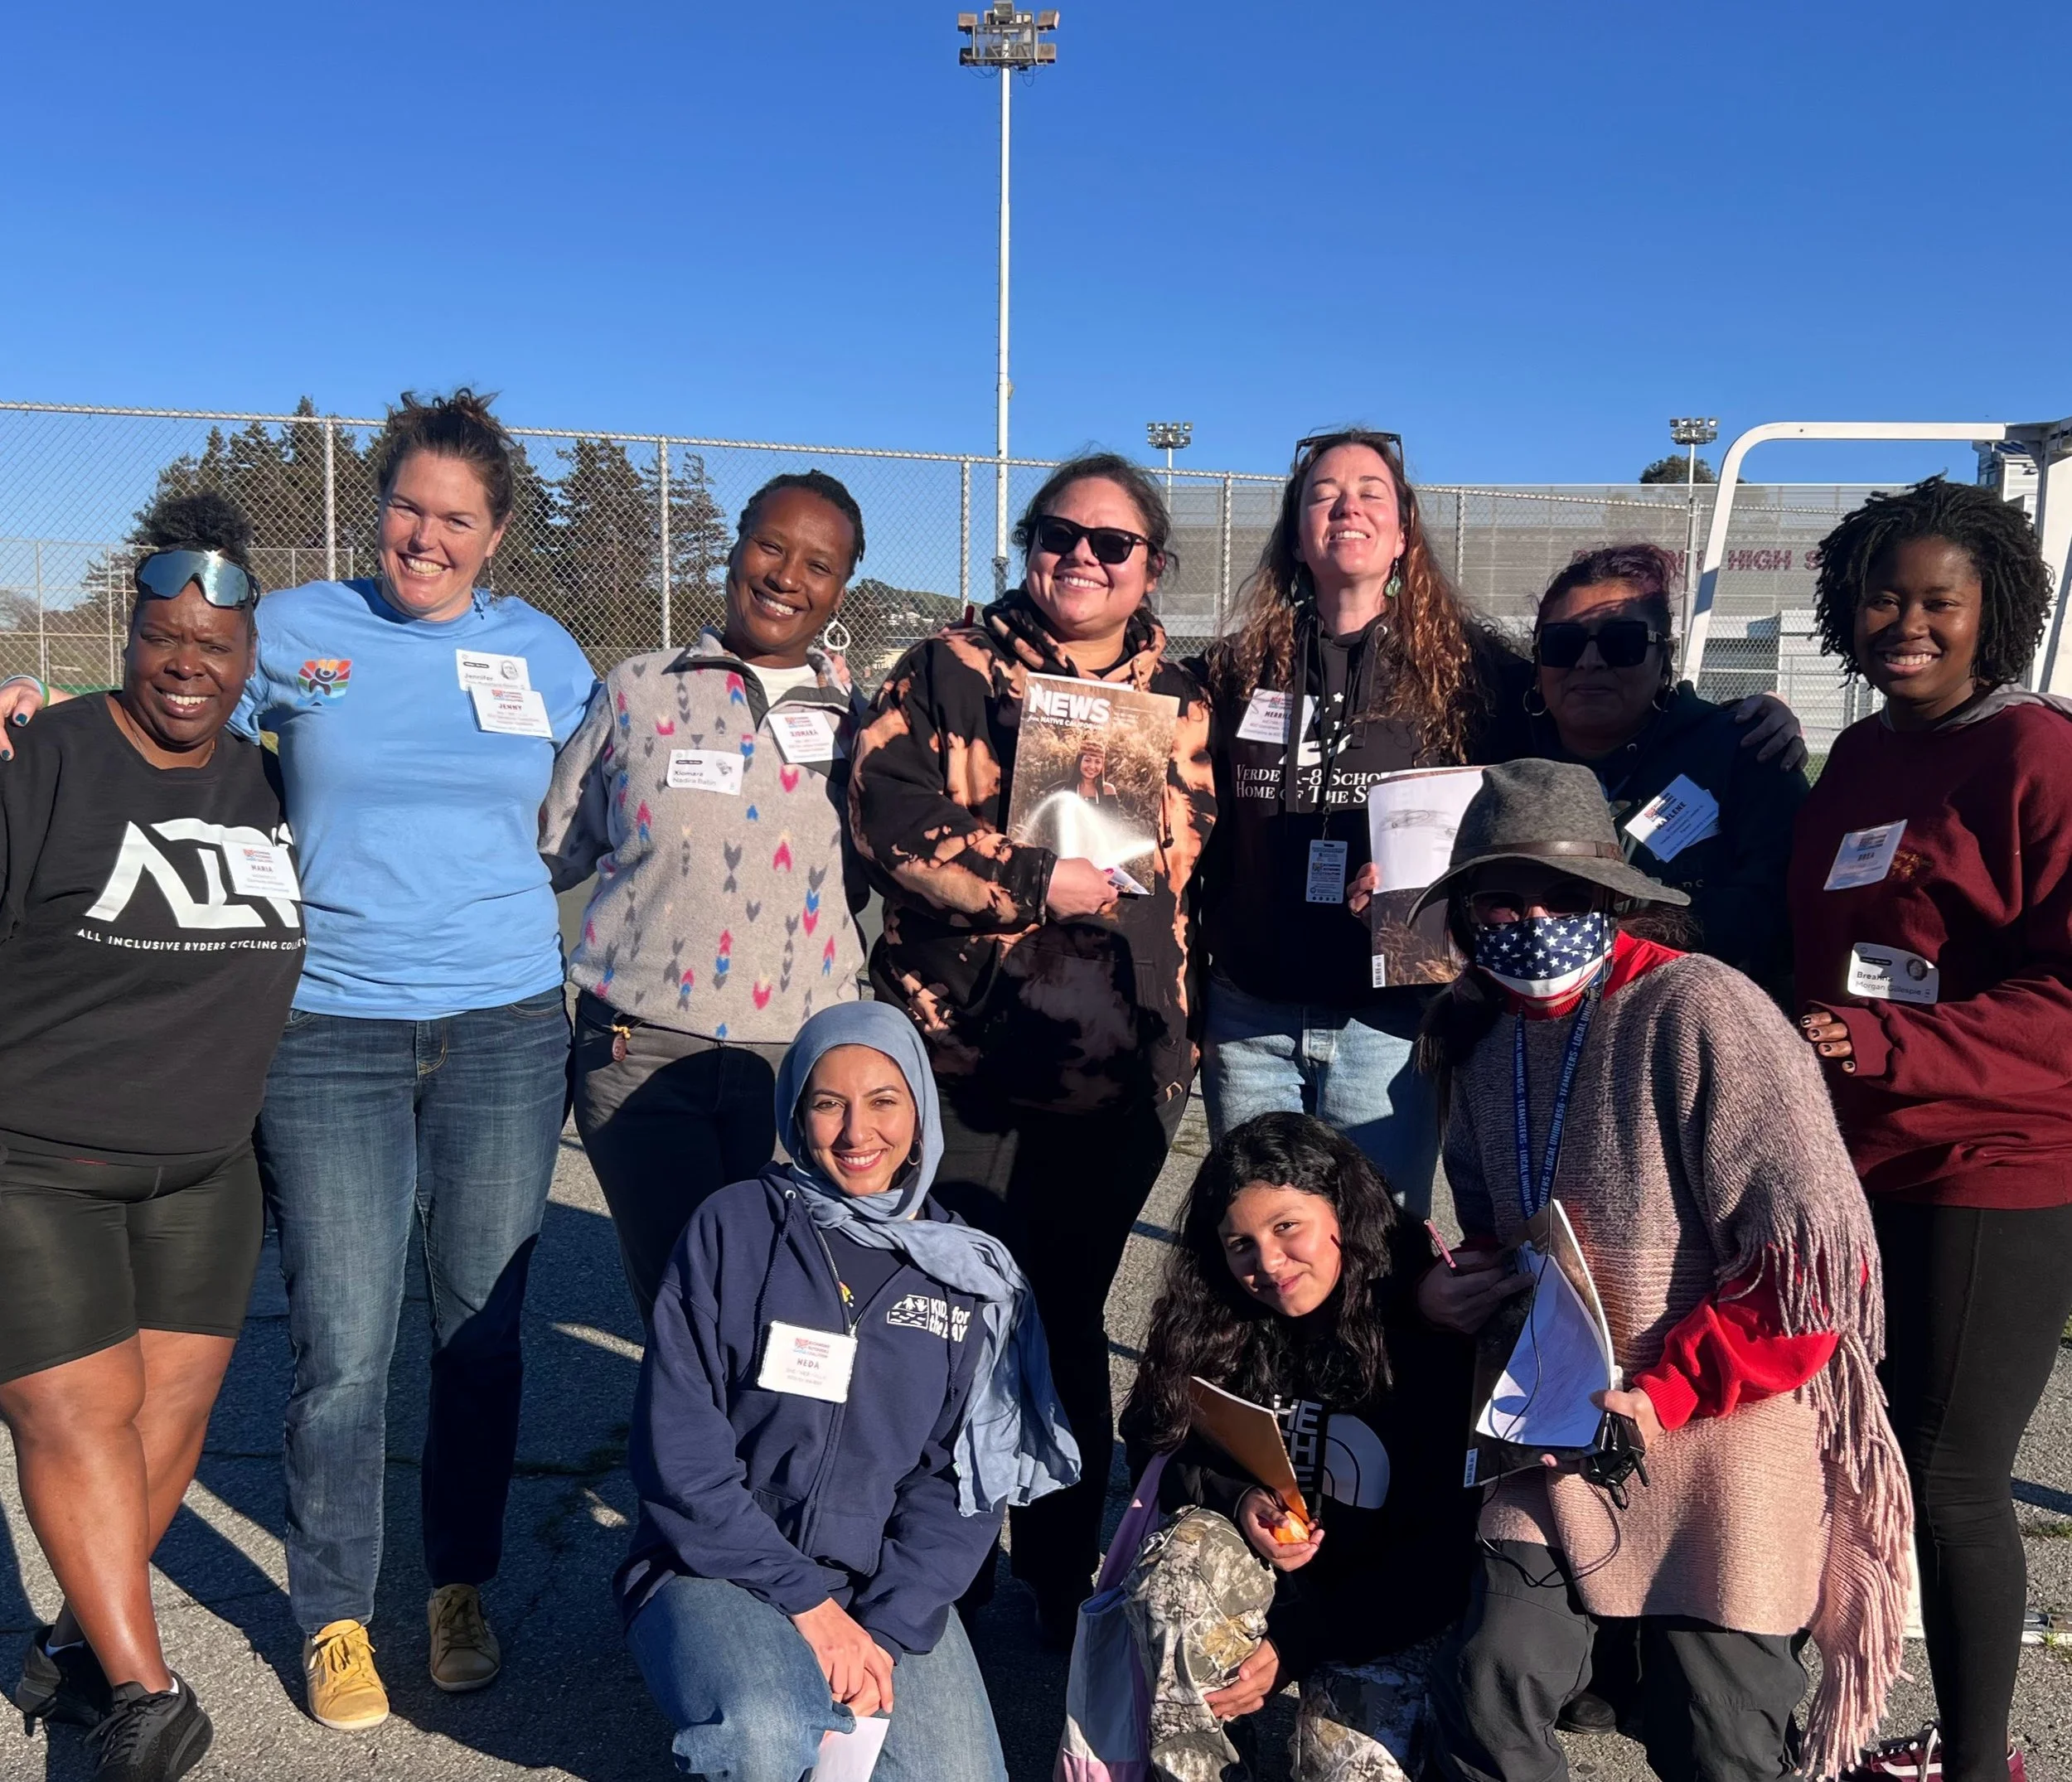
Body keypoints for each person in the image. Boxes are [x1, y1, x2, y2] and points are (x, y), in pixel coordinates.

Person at [1414, 758, 1909, 1782]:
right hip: (1559, 1427)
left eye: (1562, 894)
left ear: (1613, 898)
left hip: (1724, 1428)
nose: (1530, 917)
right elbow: (1498, 1232)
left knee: (1716, 1734)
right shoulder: (1472, 1032)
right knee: (1486, 1683)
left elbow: (1807, 1267)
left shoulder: (1701, 1008)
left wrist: (1672, 1388)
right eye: (1499, 897)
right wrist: (1457, 1280)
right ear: (1464, 912)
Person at [1195, 431, 1803, 1218]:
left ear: (1406, 531)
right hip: (1252, 1008)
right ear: (1294, 531)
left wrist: (1751, 716)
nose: (1347, 505)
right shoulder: (1235, 667)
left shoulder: (1477, 673)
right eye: (1323, 491)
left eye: (1371, 490)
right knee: (1254, 1235)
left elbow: (1585, 721)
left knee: (1378, 1248)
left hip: (1391, 1019)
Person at [848, 452, 1216, 1640]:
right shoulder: (946, 668)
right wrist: (1023, 876)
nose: (1082, 557)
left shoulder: (1189, 700)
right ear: (1027, 543)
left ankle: (1066, 1572)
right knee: (948, 1307)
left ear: (1150, 563)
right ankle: (945, 1567)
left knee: (1062, 1311)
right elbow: (883, 814)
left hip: (1119, 1065)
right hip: (960, 1049)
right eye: (1059, 533)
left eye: (1113, 542)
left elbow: (1207, 866)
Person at [0, 494, 303, 1782]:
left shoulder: (273, 775)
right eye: (164, 637)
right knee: (74, 1408)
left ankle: (84, 1648)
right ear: (128, 631)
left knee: (160, 1429)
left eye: (216, 645)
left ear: (251, 661)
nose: (188, 664)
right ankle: (151, 1693)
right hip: (37, 1157)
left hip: (206, 1167)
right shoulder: (50, 757)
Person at [1789, 477, 2070, 1782]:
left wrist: (1900, 1045)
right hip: (1864, 1157)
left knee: (1955, 1475)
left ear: (1992, 613)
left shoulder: (2038, 755)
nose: (1907, 622)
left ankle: (1979, 1762)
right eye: (1884, 597)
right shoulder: (1858, 755)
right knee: (1876, 1450)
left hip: (1992, 1166)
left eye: (1939, 601)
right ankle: (1894, 1719)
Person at [617, 1001, 1077, 1782]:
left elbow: (960, 1487)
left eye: (883, 1101)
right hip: (716, 1566)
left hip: (874, 1583)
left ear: (921, 1115)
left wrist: (887, 1630)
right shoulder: (733, 1227)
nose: (856, 1132)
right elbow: (681, 1456)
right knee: (765, 1734)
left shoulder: (966, 1275)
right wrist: (811, 1609)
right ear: (796, 1115)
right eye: (828, 1103)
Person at [541, 469, 871, 1321]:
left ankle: (773, 1460)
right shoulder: (637, 689)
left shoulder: (862, 718)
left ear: (841, 587)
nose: (786, 575)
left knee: (791, 1302)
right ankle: (688, 1458)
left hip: (804, 1063)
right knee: (683, 1307)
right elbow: (553, 847)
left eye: (818, 563)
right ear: (734, 547)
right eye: (769, 544)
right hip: (640, 1049)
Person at [1116, 1111, 1477, 1782]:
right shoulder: (1212, 1316)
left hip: (1387, 1602)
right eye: (1240, 1244)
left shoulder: (1426, 1331)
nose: (1269, 1264)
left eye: (1288, 1228)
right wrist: (1235, 1495)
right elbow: (1148, 1446)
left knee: (1348, 1762)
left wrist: (1302, 1644)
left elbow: (1445, 1559)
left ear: (1341, 1211)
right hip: (1260, 1579)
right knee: (1175, 1576)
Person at [1518, 542, 1806, 990]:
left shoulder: (1745, 750)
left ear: (1664, 656)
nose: (1589, 662)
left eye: (1622, 643)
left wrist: (1629, 934)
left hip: (1694, 1010)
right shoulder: (1501, 755)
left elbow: (1782, 907)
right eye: (1563, 643)